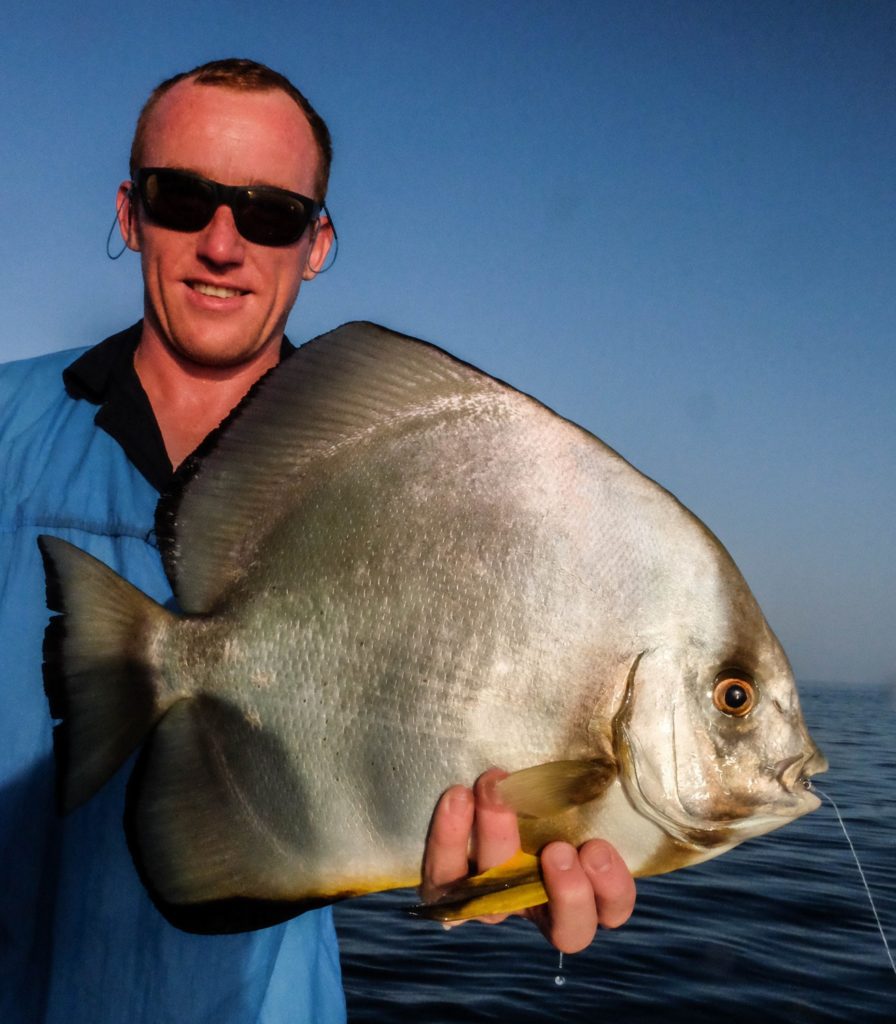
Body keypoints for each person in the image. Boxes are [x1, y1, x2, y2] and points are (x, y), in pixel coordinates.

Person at [0, 59, 635, 1023]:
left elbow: (438, 729)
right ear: (130, 214)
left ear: (318, 241)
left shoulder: (404, 496)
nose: (224, 243)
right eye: (183, 199)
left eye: (270, 214)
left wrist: (507, 866)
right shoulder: (6, 426)